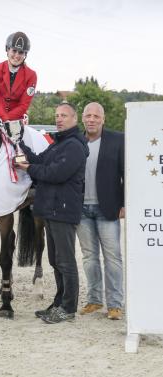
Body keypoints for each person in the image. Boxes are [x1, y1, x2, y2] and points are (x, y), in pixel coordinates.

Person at [16, 103, 89, 324]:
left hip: (63, 210)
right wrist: (19, 146)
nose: (59, 119)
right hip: (50, 208)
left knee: (66, 261)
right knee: (55, 260)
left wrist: (27, 168)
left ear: (75, 118)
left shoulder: (74, 146)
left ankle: (68, 308)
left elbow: (55, 173)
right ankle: (59, 302)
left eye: (64, 115)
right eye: (57, 115)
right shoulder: (59, 143)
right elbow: (40, 160)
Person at [77, 102, 124, 320]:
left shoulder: (117, 140)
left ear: (103, 119)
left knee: (113, 257)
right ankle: (94, 300)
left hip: (108, 208)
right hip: (81, 210)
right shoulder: (76, 140)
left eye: (96, 116)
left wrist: (124, 203)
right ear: (83, 118)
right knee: (89, 257)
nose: (92, 119)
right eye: (88, 115)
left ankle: (115, 304)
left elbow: (126, 173)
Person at [0, 31, 37, 122]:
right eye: (14, 50)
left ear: (25, 55)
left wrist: (7, 120)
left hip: (17, 121)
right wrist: (3, 118)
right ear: (7, 49)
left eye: (21, 52)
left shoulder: (31, 75)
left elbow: (23, 105)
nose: (17, 55)